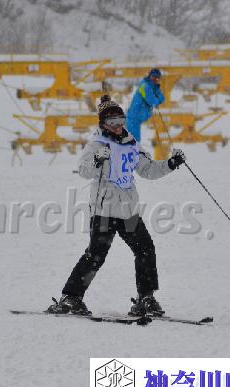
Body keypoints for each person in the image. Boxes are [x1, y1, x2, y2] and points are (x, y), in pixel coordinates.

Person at [47, 95, 186, 317]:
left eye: (121, 120)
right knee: (96, 254)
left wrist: (170, 164)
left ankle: (146, 299)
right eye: (112, 122)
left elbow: (148, 170)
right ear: (103, 124)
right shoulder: (96, 144)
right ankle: (71, 298)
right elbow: (83, 170)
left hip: (128, 211)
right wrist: (97, 160)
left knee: (145, 249)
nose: (118, 125)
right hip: (104, 210)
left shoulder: (132, 144)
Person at [125, 68, 165, 143]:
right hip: (134, 118)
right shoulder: (144, 86)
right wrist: (157, 99)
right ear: (149, 76)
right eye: (153, 76)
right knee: (134, 143)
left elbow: (162, 97)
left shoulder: (153, 87)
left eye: (157, 78)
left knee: (135, 142)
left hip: (138, 118)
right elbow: (152, 101)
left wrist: (157, 97)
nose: (155, 79)